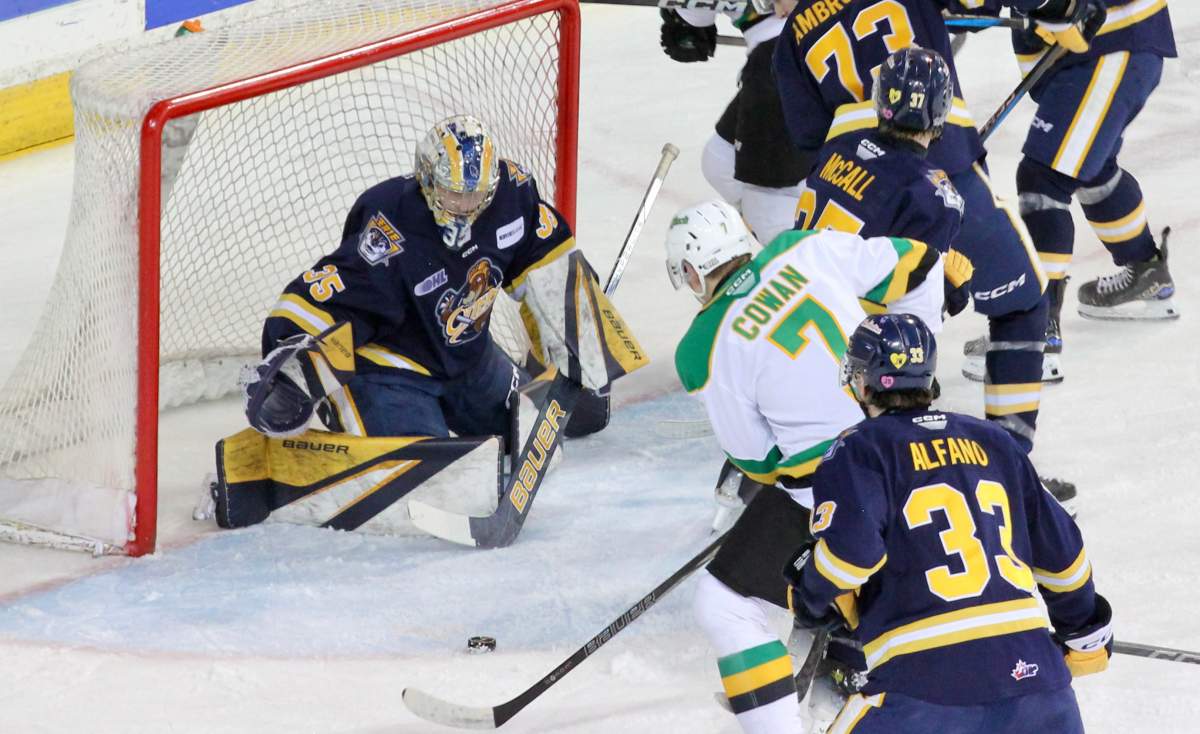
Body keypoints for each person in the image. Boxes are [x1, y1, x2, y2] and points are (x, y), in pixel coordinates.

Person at [773, 0, 1097, 498]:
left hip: (840, 189)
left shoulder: (792, 32)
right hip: (937, 170)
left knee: (850, 331)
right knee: (1022, 304)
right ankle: (1006, 479)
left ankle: (837, 470)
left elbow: (809, 140)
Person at [667, 200, 943, 733]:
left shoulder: (701, 346)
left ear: (692, 273)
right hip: (922, 449)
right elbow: (918, 262)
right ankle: (846, 623)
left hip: (842, 495)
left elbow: (754, 457)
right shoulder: (801, 247)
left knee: (723, 603)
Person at [784, 312, 1112, 732]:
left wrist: (810, 596)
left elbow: (851, 558)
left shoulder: (859, 450)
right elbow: (1065, 559)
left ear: (862, 380)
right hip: (1038, 687)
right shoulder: (995, 442)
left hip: (922, 691)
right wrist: (1083, 633)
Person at [244, 114, 642, 442]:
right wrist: (290, 374)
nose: (467, 207)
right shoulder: (392, 227)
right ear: (428, 180)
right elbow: (328, 296)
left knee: (539, 431)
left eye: (476, 195)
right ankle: (346, 414)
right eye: (455, 195)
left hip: (470, 361)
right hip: (393, 371)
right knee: (433, 470)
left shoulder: (510, 196)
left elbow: (547, 260)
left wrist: (579, 354)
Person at [1005, 0, 1178, 383]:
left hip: (1107, 42)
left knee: (1044, 178)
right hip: (1094, 47)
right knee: (1090, 166)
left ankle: (1033, 331)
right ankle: (1147, 272)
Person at [795, 46, 972, 317]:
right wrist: (951, 289)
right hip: (844, 332)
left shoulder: (840, 143)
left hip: (790, 298)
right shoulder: (937, 199)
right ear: (943, 108)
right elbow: (918, 307)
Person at [659, 0, 806, 242]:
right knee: (720, 160)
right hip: (827, 48)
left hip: (782, 61)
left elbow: (691, 28)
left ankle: (808, 265)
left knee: (767, 210)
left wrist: (680, 23)